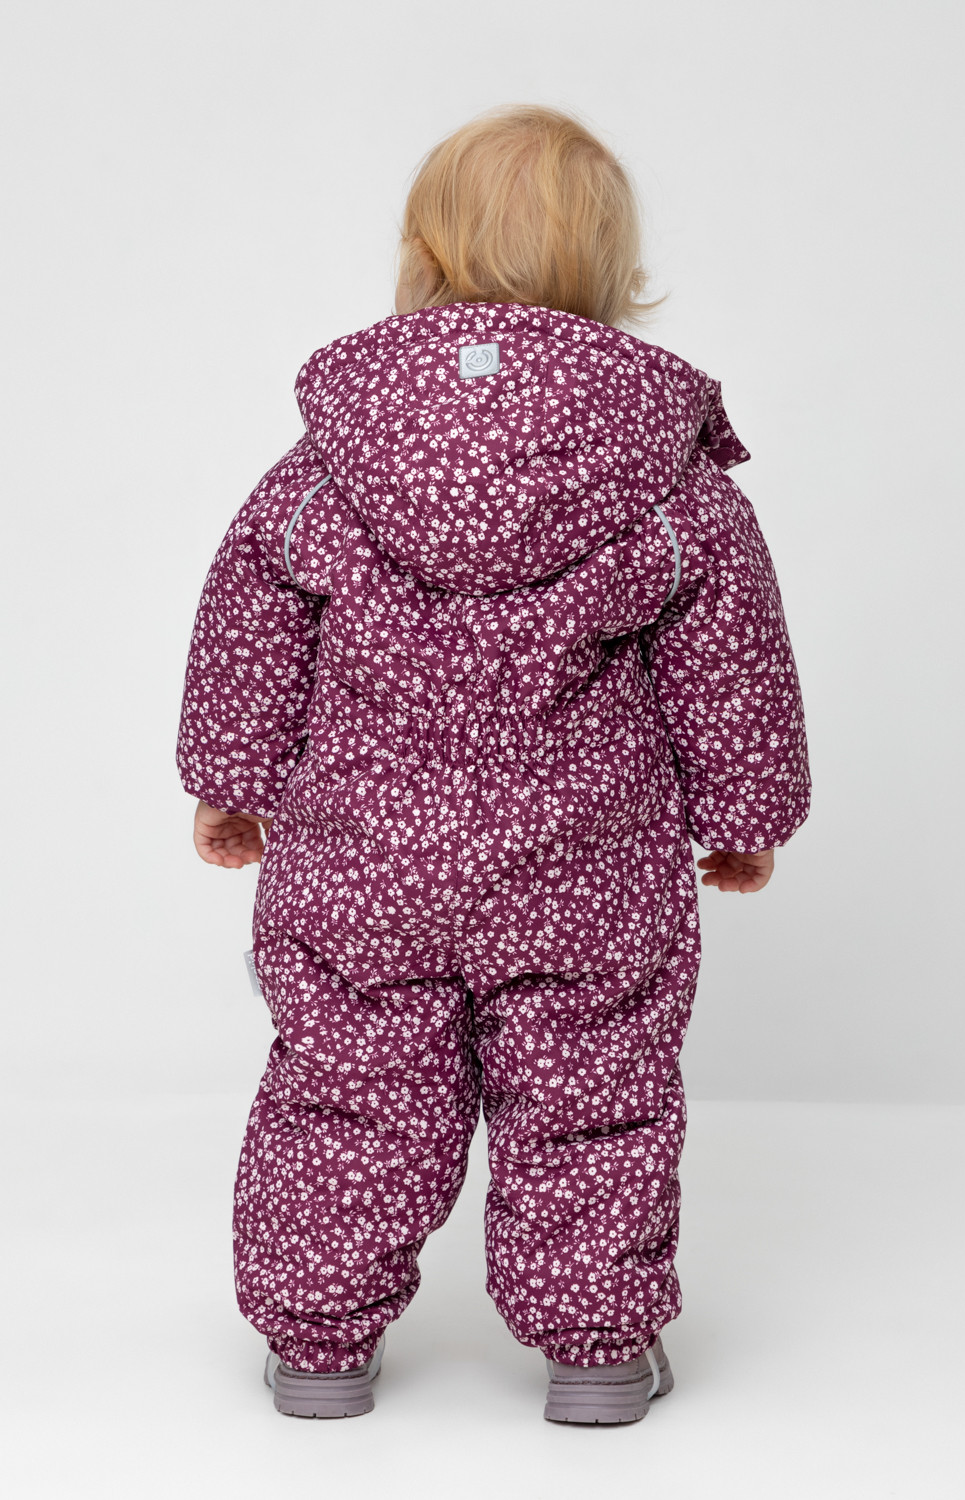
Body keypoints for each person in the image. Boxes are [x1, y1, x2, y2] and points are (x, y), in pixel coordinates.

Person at [177, 102, 810, 1425]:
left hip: (363, 871)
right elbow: (732, 652)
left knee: (347, 1091)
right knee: (591, 1094)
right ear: (615, 276)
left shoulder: (332, 463)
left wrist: (230, 781)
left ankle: (319, 1352)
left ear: (422, 258)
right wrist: (745, 811)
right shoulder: (665, 475)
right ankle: (597, 1355)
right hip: (585, 877)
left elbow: (250, 615)